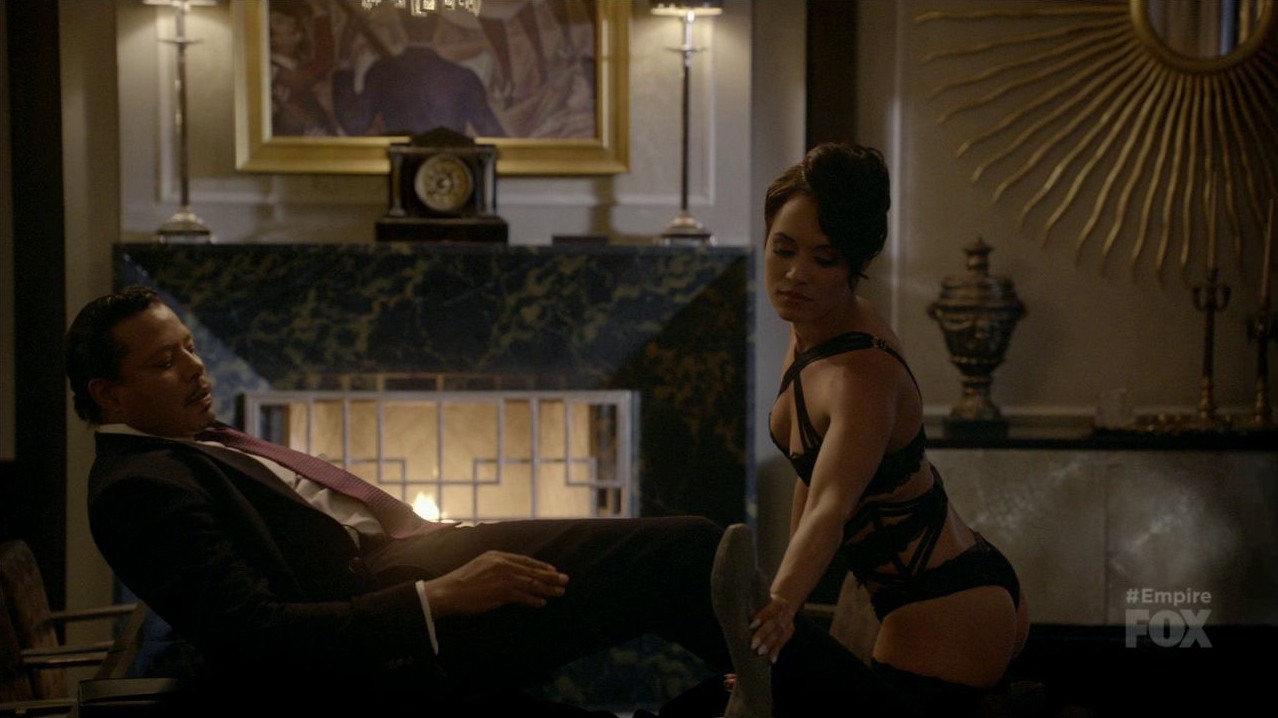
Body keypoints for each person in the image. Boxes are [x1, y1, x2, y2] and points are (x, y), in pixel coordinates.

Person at [65, 286, 879, 715]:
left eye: (191, 348)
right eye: (165, 362)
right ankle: (872, 709)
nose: (196, 369)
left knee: (688, 561)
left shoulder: (185, 441)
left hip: (419, 556)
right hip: (398, 626)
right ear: (107, 392)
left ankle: (780, 685)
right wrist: (438, 598)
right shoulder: (139, 488)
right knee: (687, 554)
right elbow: (254, 634)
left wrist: (441, 542)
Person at [739, 142, 1032, 718]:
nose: (796, 274)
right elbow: (810, 474)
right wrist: (787, 617)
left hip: (946, 600)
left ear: (854, 265)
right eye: (783, 249)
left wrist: (780, 608)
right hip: (915, 589)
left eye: (825, 258)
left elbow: (830, 504)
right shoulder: (810, 328)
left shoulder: (860, 376)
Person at [331, 13, 507, 137]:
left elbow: (354, 123)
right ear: (435, 24)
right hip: (448, 166)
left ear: (403, 23)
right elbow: (493, 134)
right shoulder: (464, 77)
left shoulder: (382, 71)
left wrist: (344, 54)